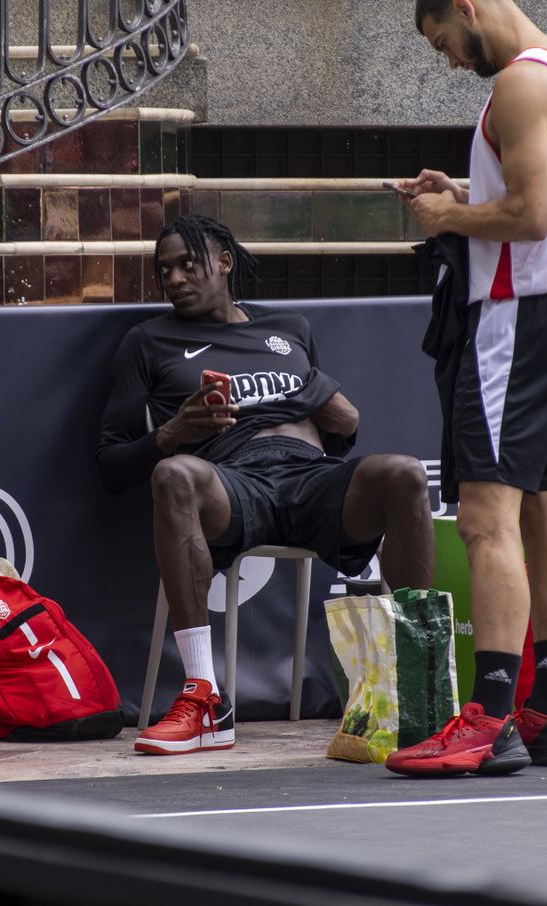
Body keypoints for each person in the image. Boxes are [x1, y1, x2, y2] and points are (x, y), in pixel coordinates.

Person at [386, 0, 547, 776]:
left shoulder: (516, 84)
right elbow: (534, 193)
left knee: (487, 520)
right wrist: (461, 193)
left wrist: (450, 213)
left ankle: (487, 719)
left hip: (517, 322)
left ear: (464, 9)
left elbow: (530, 213)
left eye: (443, 41)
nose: (448, 60)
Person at [97, 214, 435, 755]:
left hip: (309, 476)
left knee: (404, 473)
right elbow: (111, 465)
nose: (176, 279)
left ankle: (420, 690)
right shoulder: (149, 341)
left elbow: (342, 427)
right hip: (231, 483)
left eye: (189, 264)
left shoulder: (289, 330)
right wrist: (174, 432)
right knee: (174, 473)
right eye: (165, 271)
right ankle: (205, 695)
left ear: (225, 263)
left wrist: (338, 414)